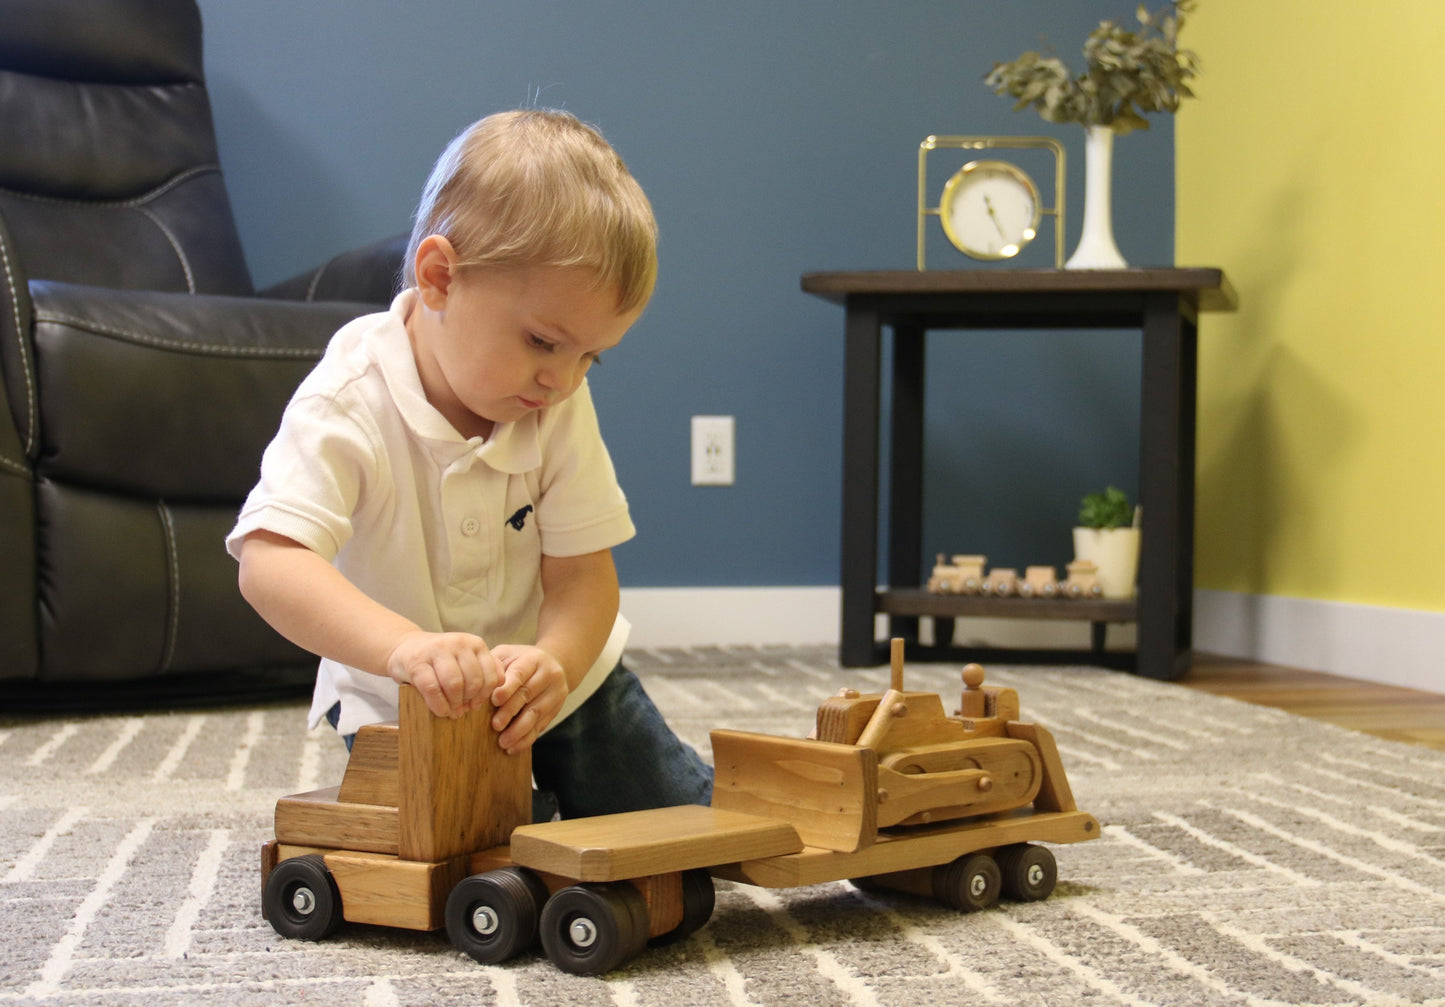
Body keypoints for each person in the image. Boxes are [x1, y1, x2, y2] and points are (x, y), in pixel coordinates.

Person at [226, 109, 711, 821]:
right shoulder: (348, 398)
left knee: (684, 819)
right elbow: (269, 562)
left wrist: (559, 661)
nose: (565, 380)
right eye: (544, 341)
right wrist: (405, 649)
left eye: (590, 355)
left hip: (556, 687)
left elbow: (583, 575)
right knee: (468, 842)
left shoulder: (556, 401)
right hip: (404, 700)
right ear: (439, 278)